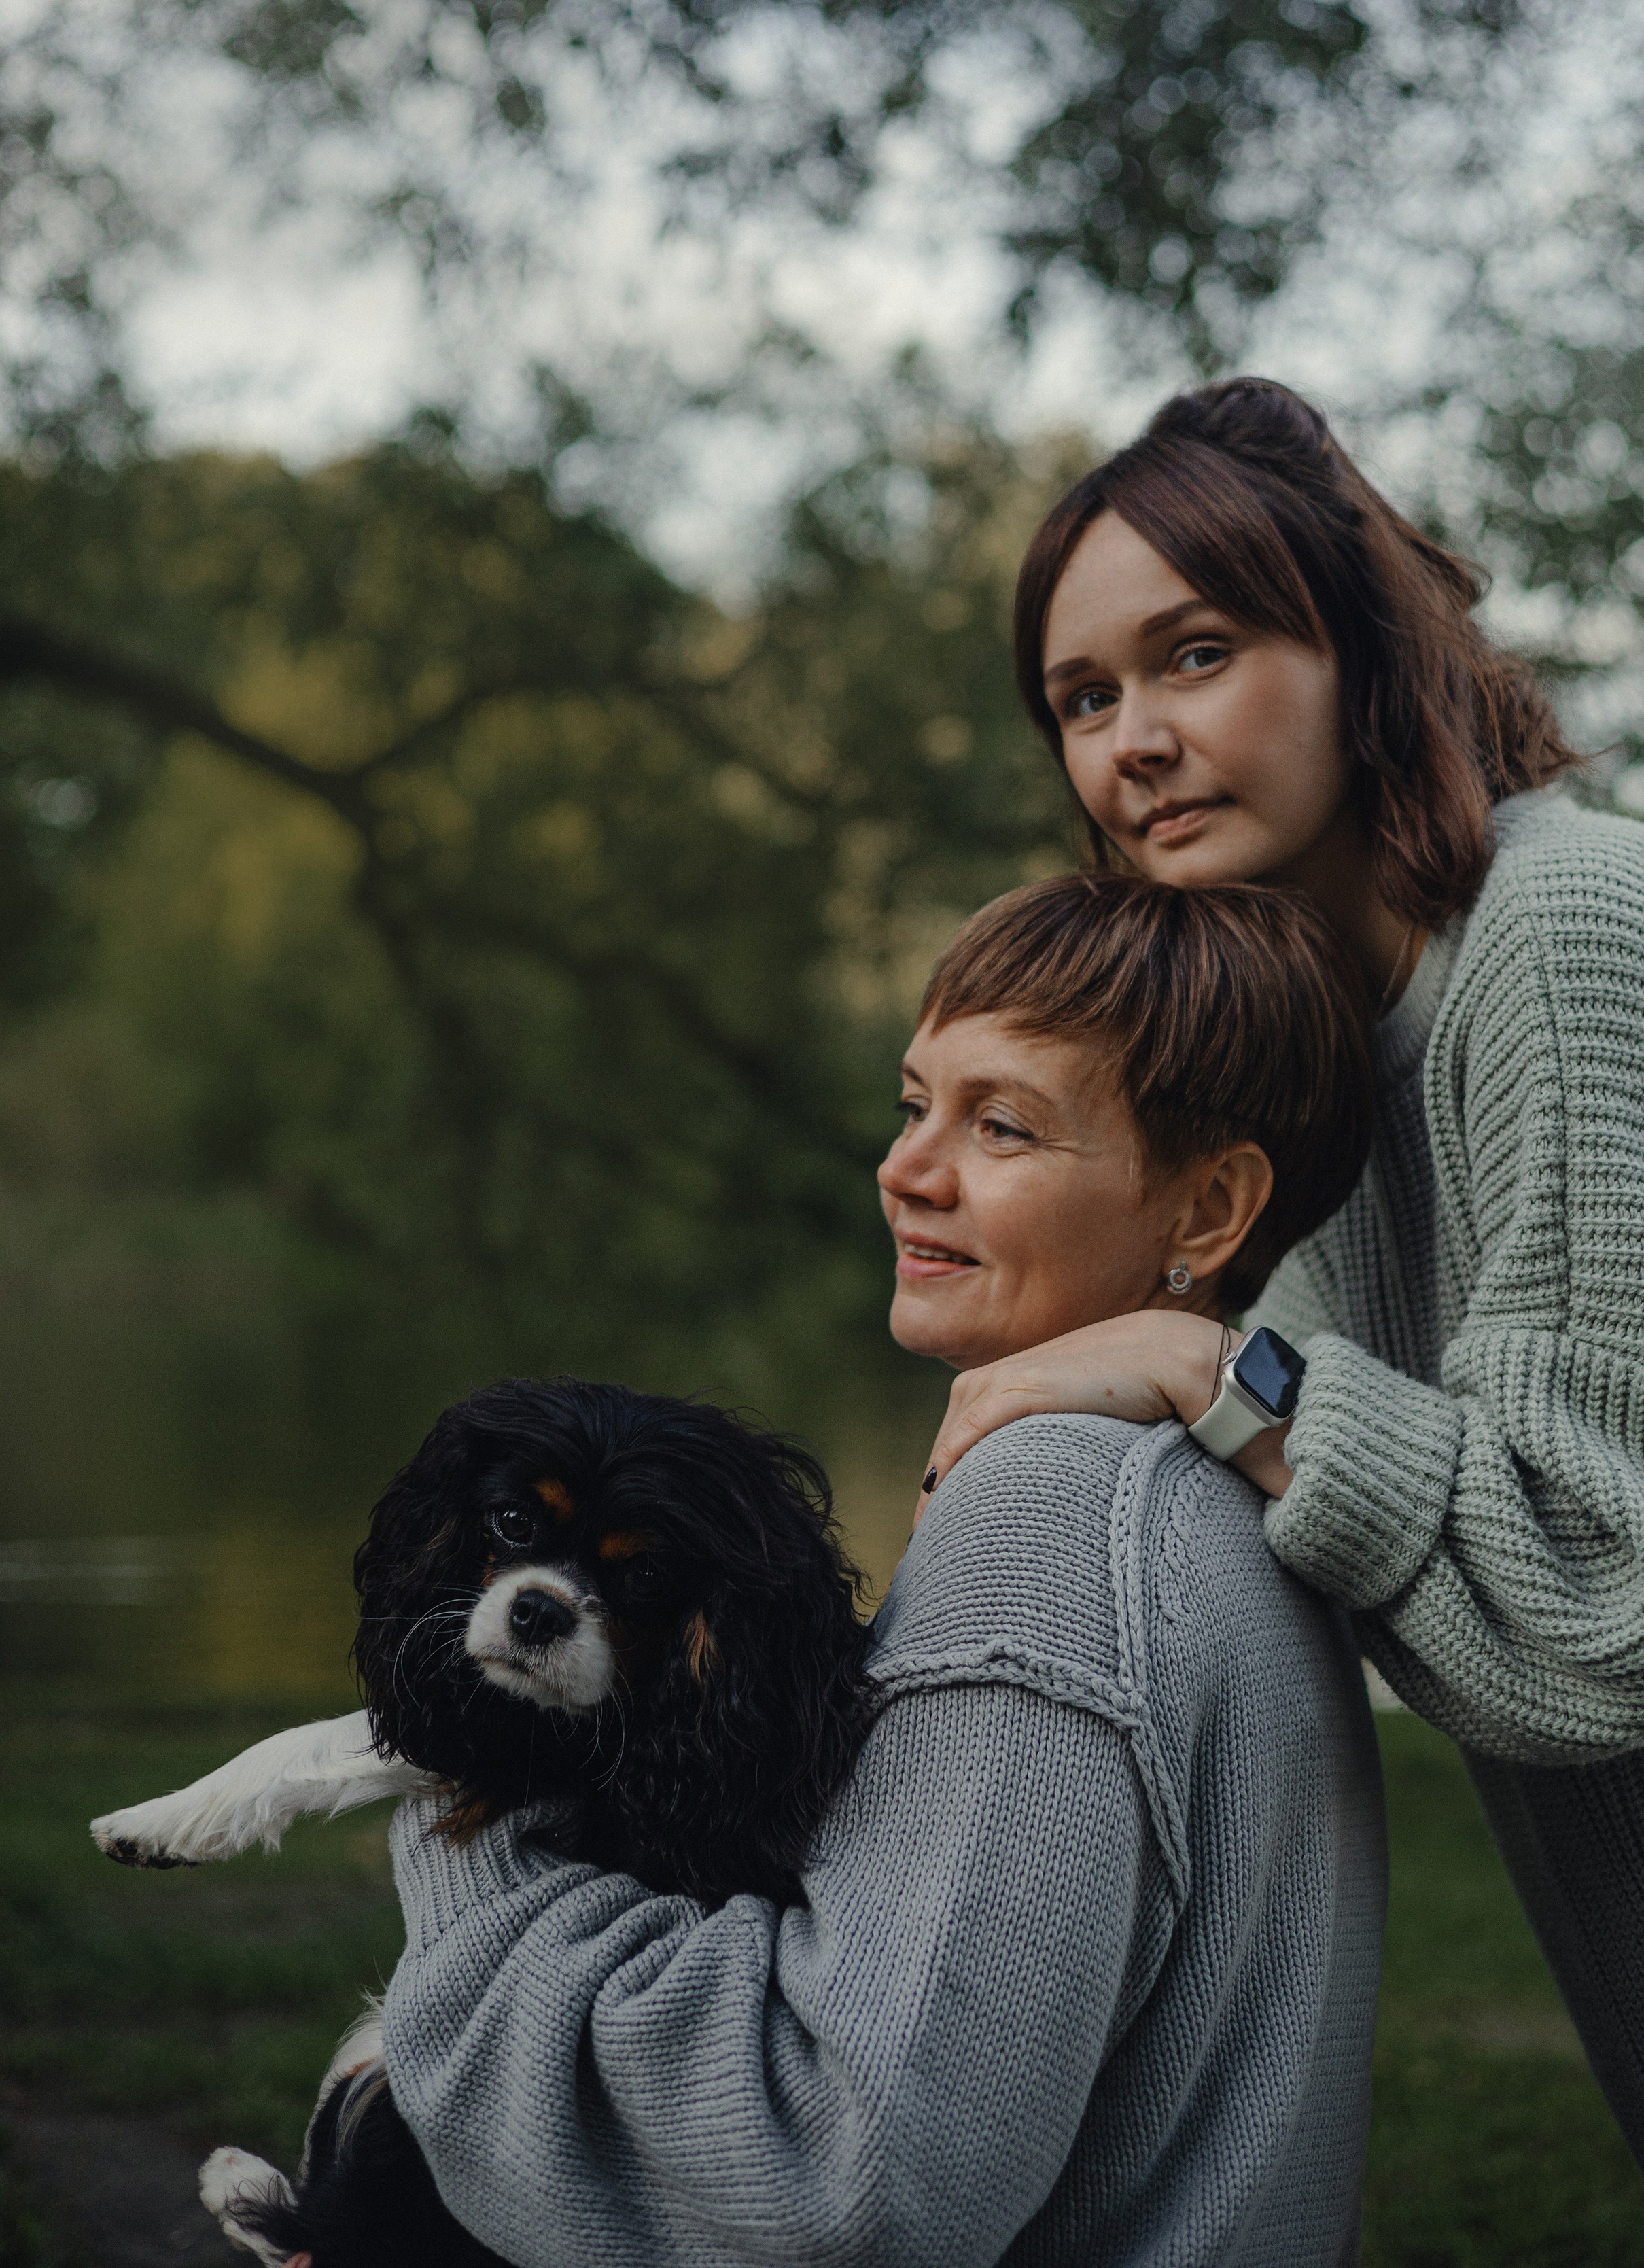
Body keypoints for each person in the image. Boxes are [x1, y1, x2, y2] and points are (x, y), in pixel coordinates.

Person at [919, 374, 1644, 2267]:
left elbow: (1594, 1615)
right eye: (1083, 698)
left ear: (1367, 653)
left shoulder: (1570, 937)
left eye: (1196, 654)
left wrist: (1222, 1374)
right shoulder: (1312, 1080)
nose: (1135, 740)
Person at [380, 872, 1386, 2268]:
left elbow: (842, 2186)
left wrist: (473, 1837)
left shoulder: (1053, 1516)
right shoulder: (1234, 1490)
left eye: (1002, 1125)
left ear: (1209, 1208)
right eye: (916, 1104)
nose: (906, 1169)